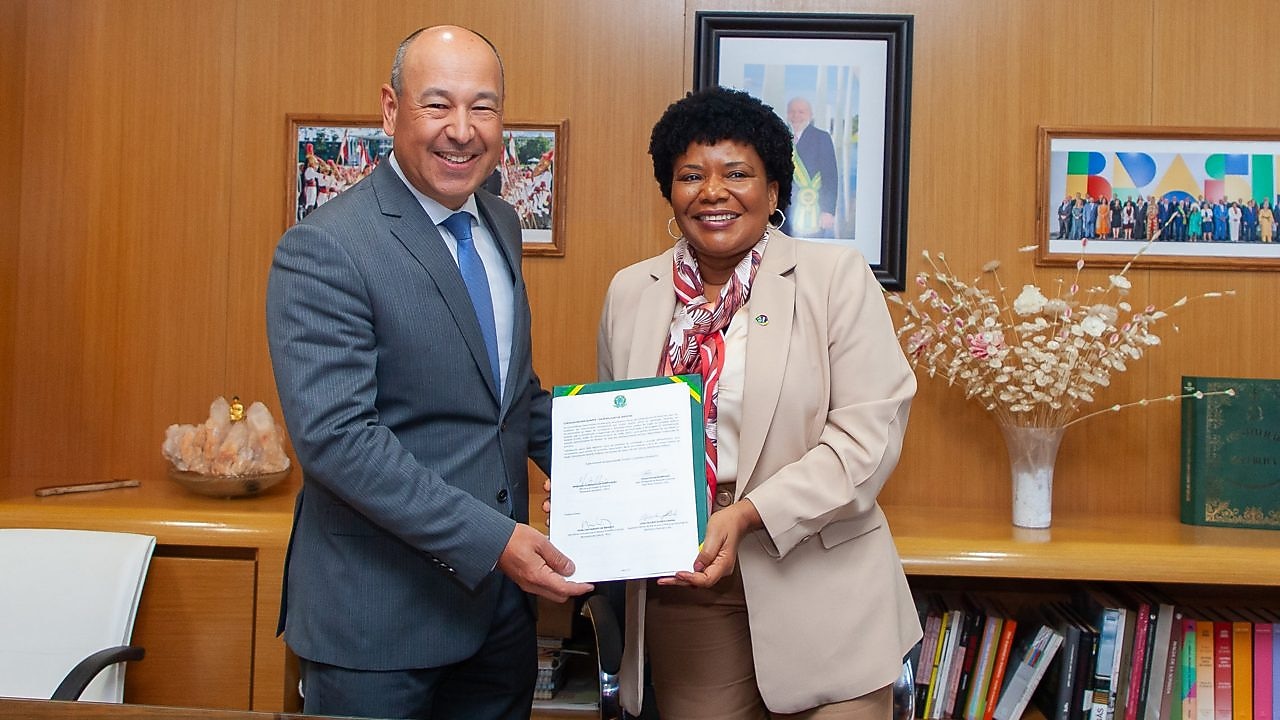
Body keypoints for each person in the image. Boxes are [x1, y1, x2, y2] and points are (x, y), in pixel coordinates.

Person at [265, 25, 592, 720]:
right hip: (378, 626)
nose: (462, 130)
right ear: (390, 111)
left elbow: (509, 401)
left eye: (483, 107)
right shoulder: (325, 248)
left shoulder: (499, 223)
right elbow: (338, 441)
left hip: (498, 623)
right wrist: (495, 542)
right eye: (437, 104)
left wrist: (640, 463)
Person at [597, 86, 920, 720]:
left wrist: (746, 513)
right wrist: (598, 489)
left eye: (737, 173)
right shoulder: (631, 292)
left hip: (822, 576)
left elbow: (865, 442)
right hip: (687, 587)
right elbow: (620, 427)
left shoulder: (836, 279)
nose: (713, 191)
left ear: (774, 191)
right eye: (691, 175)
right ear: (670, 191)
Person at [781, 96, 839, 238]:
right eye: (792, 111)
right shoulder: (779, 137)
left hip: (815, 209)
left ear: (810, 115)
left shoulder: (822, 137)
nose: (796, 116)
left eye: (801, 112)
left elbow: (830, 176)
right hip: (784, 212)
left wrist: (828, 211)